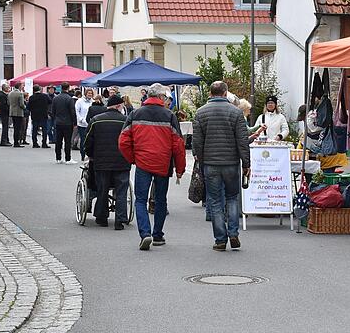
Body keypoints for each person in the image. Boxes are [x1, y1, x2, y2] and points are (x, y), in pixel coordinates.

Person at [119, 83, 186, 250]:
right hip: (163, 163)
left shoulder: (135, 114)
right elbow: (178, 145)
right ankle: (157, 235)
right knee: (161, 200)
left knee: (140, 200)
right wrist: (180, 169)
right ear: (161, 97)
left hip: (143, 163)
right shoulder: (169, 116)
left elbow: (123, 141)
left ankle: (145, 233)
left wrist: (133, 158)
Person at [193, 81, 250, 251]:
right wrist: (246, 163)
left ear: (210, 94)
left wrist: (202, 162)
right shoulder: (236, 113)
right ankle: (233, 233)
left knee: (215, 201)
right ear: (225, 93)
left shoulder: (200, 113)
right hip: (231, 163)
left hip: (211, 163)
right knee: (232, 198)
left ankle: (220, 240)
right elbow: (242, 141)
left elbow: (197, 143)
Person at [85, 95, 131, 229]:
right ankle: (120, 219)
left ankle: (102, 217)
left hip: (101, 162)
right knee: (121, 191)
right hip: (122, 161)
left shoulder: (96, 120)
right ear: (118, 106)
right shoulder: (126, 121)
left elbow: (88, 141)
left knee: (102, 189)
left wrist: (90, 155)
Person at [51, 82, 77, 164]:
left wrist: (55, 119)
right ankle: (68, 158)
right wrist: (75, 122)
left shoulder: (55, 98)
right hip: (68, 122)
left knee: (58, 141)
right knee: (67, 141)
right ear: (68, 88)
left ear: (61, 88)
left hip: (58, 122)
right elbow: (72, 111)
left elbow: (53, 111)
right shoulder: (69, 99)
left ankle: (58, 158)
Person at [75, 88, 94, 161]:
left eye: (91, 93)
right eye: (88, 93)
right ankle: (83, 155)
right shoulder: (80, 101)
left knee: (90, 140)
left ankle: (89, 155)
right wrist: (81, 119)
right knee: (83, 140)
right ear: (85, 93)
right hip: (82, 124)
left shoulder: (93, 102)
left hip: (90, 124)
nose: (90, 95)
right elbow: (77, 111)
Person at [8, 82, 26, 148]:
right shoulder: (20, 94)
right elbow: (21, 104)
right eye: (22, 86)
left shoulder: (10, 93)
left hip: (12, 112)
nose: (23, 87)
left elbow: (8, 102)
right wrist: (25, 107)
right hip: (18, 112)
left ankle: (15, 141)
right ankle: (16, 142)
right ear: (19, 86)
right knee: (18, 128)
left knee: (15, 127)